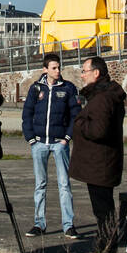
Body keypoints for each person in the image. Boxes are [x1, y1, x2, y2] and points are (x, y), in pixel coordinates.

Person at [69, 56, 126, 253]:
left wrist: (78, 122)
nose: (82, 75)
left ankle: (105, 251)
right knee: (104, 209)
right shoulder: (105, 95)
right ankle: (106, 249)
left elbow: (98, 130)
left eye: (84, 71)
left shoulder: (102, 98)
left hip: (100, 164)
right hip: (103, 162)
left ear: (96, 73)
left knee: (103, 211)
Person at [21, 54, 81, 238]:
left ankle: (68, 225)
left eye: (59, 67)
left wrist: (67, 137)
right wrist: (31, 139)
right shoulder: (35, 89)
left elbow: (75, 115)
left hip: (59, 144)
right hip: (39, 143)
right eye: (54, 68)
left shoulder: (68, 88)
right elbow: (27, 114)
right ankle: (39, 224)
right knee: (40, 184)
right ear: (45, 69)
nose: (58, 71)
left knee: (64, 184)